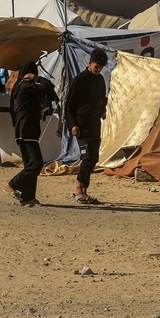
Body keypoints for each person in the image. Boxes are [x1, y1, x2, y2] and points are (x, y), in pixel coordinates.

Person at [7, 60, 58, 206]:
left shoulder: (19, 87)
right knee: (36, 164)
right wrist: (35, 78)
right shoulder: (26, 86)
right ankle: (12, 184)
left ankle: (28, 197)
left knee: (30, 165)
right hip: (27, 130)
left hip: (23, 130)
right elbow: (49, 86)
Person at [65, 48, 109, 205]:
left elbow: (103, 98)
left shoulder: (100, 80)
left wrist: (102, 110)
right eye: (96, 66)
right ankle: (78, 190)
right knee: (87, 157)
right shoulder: (79, 80)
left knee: (94, 158)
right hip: (81, 126)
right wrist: (72, 124)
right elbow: (69, 105)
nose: (98, 70)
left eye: (100, 68)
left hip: (95, 123)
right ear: (90, 63)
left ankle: (85, 191)